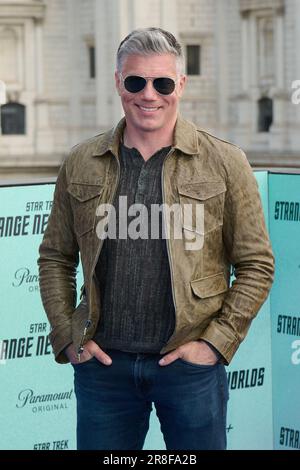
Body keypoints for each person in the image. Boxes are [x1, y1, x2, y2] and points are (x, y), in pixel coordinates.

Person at [38, 27, 274, 450]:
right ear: (118, 83)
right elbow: (55, 257)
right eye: (136, 81)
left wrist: (214, 343)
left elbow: (257, 265)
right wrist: (67, 337)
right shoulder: (81, 162)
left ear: (180, 85)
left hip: (190, 370)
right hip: (104, 371)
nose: (149, 94)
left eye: (162, 82)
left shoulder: (224, 162)